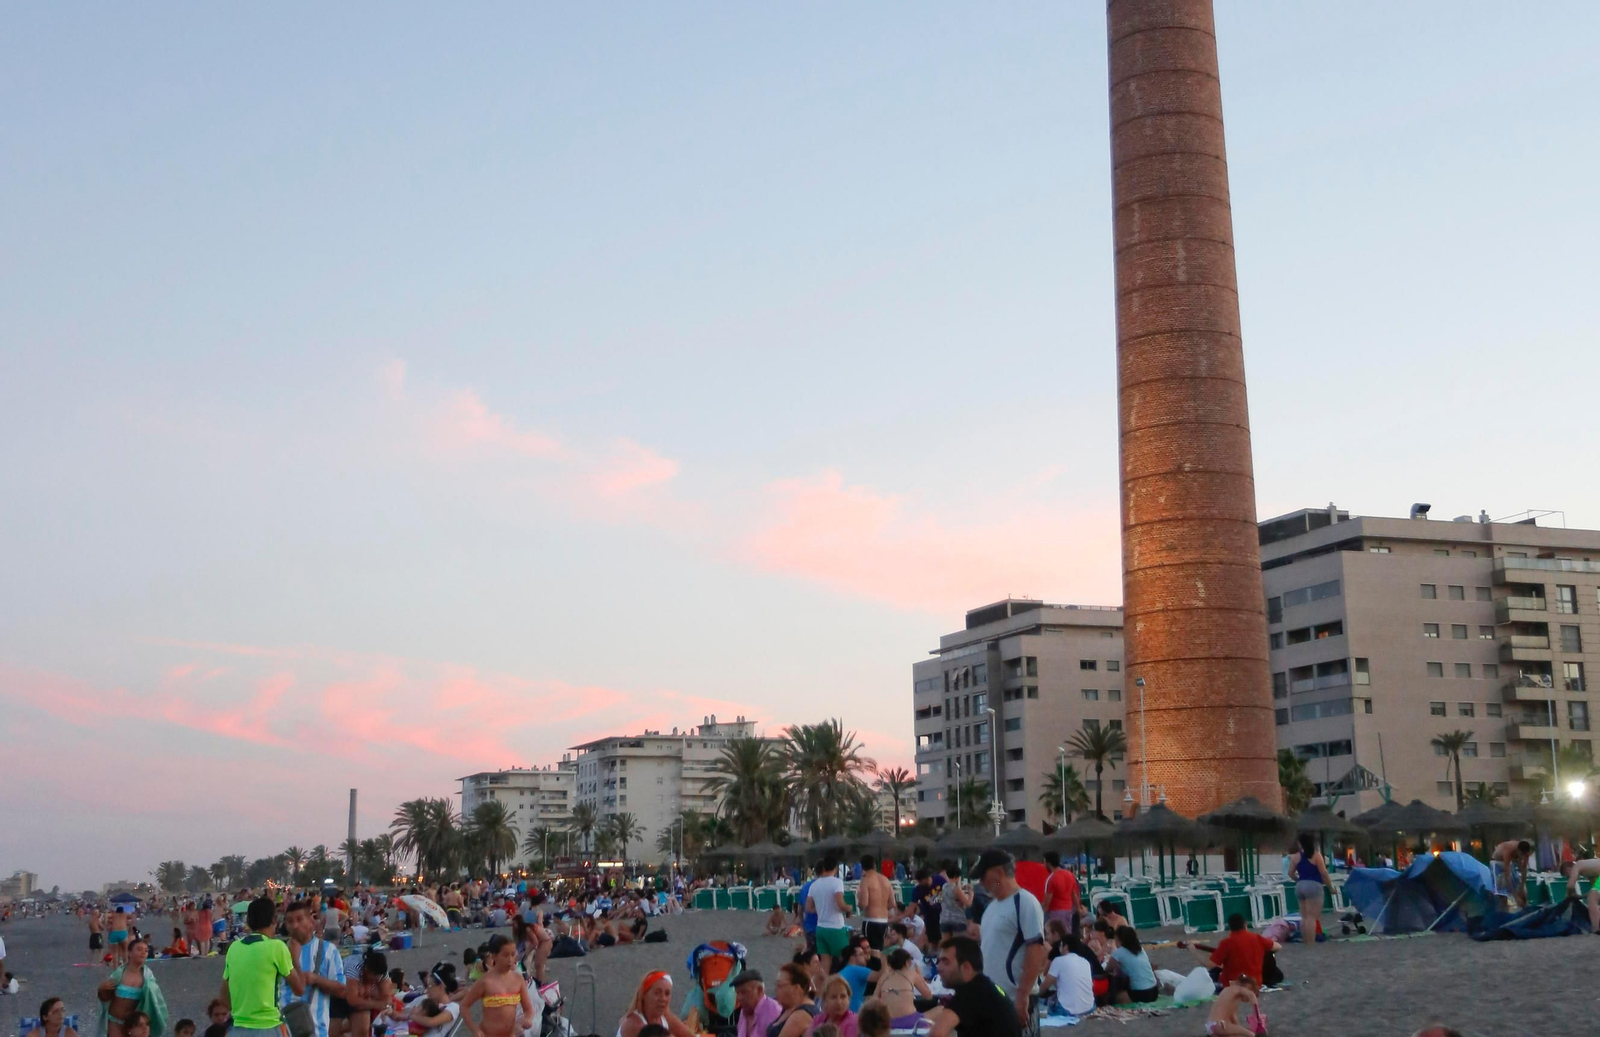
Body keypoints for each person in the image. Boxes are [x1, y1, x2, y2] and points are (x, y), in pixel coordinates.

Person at [970, 850, 1045, 1027]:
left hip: (1015, 997)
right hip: (993, 996)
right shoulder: (991, 908)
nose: (981, 882)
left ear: (998, 873)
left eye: (983, 876)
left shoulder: (1025, 902)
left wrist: (1023, 994)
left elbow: (1035, 949)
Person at [220, 897, 303, 1037]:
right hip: (269, 1027)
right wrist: (295, 958)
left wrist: (242, 1012)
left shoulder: (234, 948)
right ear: (274, 920)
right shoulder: (276, 947)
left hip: (238, 1027)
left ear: (249, 921)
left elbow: (223, 996)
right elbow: (299, 989)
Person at [926, 937, 1020, 1037]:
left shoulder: (972, 992)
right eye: (939, 961)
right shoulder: (984, 987)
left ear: (966, 967)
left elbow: (936, 1034)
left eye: (946, 962)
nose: (939, 968)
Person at [281, 901, 347, 1037]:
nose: (295, 925)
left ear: (311, 922)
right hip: (281, 1031)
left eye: (299, 919)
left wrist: (316, 979)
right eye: (290, 921)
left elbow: (342, 990)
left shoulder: (328, 951)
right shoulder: (278, 952)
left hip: (316, 1031)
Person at [1177, 914, 1281, 987]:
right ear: (1245, 925)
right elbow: (1278, 947)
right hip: (1255, 983)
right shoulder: (1257, 938)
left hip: (1232, 983)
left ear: (1230, 928)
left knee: (1210, 974)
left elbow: (1209, 965)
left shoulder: (1226, 943)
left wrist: (1193, 950)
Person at [458, 937, 533, 1037]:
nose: (510, 960)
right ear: (494, 956)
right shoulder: (485, 981)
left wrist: (528, 1018)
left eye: (513, 954)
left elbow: (528, 1008)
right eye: (505, 955)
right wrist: (474, 1029)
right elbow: (464, 1005)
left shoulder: (518, 979)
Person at [98, 938, 170, 1037]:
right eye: (139, 949)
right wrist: (101, 989)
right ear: (129, 953)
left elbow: (154, 1002)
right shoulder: (119, 974)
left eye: (146, 950)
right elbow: (106, 998)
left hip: (135, 1027)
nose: (143, 953)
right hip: (115, 1022)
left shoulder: (148, 978)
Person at [613, 971, 692, 1037]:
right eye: (657, 993)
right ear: (644, 994)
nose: (663, 998)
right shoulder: (634, 1025)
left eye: (667, 994)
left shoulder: (665, 1016)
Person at [807, 858, 853, 971]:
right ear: (835, 868)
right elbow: (840, 904)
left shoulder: (814, 885)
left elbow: (808, 908)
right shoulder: (837, 882)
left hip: (821, 927)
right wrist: (849, 908)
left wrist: (822, 909)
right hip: (835, 927)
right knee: (845, 958)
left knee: (825, 962)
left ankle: (824, 986)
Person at [869, 948, 928, 1032]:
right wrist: (920, 976)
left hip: (887, 1021)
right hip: (910, 1021)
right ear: (907, 962)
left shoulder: (884, 977)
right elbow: (928, 995)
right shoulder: (912, 974)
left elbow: (874, 1000)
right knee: (940, 1009)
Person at [1287, 834, 1332, 945]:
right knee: (1312, 917)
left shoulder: (1295, 857)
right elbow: (1324, 873)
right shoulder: (1316, 855)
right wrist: (1331, 887)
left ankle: (1305, 940)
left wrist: (1298, 880)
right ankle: (1311, 943)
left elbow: (1290, 873)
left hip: (1300, 885)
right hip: (1314, 885)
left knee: (1304, 917)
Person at [1041, 934, 1093, 1018]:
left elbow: (1045, 986)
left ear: (1065, 947)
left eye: (1061, 945)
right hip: (1089, 1007)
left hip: (1067, 1010)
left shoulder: (1058, 960)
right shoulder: (1085, 962)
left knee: (1042, 1002)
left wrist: (1036, 994)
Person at [1106, 927, 1158, 1005]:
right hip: (1154, 991)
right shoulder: (1140, 949)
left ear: (1120, 940)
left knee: (1115, 984)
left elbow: (1107, 969)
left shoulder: (1119, 953)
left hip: (1140, 994)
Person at [856, 857, 897, 951]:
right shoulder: (885, 880)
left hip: (871, 920)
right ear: (874, 865)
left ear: (862, 867)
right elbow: (892, 903)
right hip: (884, 921)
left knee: (870, 951)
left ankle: (873, 966)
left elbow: (863, 904)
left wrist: (859, 899)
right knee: (879, 949)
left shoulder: (865, 880)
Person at [768, 964, 819, 1037]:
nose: (776, 989)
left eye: (779, 985)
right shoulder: (789, 1008)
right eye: (775, 985)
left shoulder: (801, 1015)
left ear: (796, 988)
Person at [406, 973, 460, 1037]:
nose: (427, 990)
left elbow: (432, 1022)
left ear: (441, 986)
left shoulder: (453, 1007)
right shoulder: (431, 1003)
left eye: (429, 986)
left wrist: (412, 1016)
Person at [1041, 853, 1081, 936]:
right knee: (1067, 935)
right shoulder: (1070, 875)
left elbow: (1046, 903)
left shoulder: (1051, 878)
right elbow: (1074, 895)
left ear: (1048, 863)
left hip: (1054, 912)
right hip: (1068, 911)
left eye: (1044, 862)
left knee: (1053, 936)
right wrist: (1078, 909)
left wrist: (1040, 914)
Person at [732, 971, 781, 1037]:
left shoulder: (774, 1012)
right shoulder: (744, 1012)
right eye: (737, 993)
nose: (739, 998)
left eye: (744, 992)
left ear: (759, 990)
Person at [1559, 857, 1600, 928]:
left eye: (1567, 876)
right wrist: (1579, 896)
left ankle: (1596, 928)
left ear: (1568, 870)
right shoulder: (1589, 871)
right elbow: (1593, 891)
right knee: (1593, 898)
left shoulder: (1577, 865)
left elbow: (1570, 885)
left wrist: (1567, 897)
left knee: (1592, 899)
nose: (1569, 877)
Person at [1491, 839, 1533, 909]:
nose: (1522, 857)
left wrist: (1522, 886)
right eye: (1521, 855)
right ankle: (1503, 910)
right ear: (1518, 851)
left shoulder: (1526, 852)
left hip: (1510, 863)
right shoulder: (1508, 850)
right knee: (1502, 891)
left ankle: (1524, 908)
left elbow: (1524, 869)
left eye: (1524, 855)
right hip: (1498, 863)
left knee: (1519, 887)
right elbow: (1507, 874)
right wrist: (1515, 897)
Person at [935, 864, 968, 941]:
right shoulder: (956, 889)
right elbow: (967, 902)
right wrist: (971, 893)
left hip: (944, 919)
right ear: (957, 877)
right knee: (958, 945)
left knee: (946, 945)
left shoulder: (944, 886)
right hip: (957, 920)